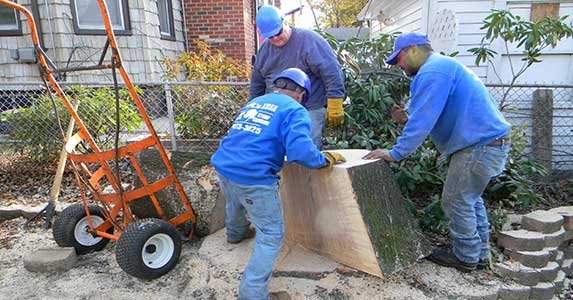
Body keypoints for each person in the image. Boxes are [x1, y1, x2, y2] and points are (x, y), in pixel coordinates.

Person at [363, 32, 511, 272]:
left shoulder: (433, 71)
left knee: (456, 200)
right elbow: (427, 115)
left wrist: (394, 153)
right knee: (469, 199)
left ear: (413, 49)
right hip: (487, 143)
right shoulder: (441, 67)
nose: (398, 65)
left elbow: (422, 121)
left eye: (398, 58)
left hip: (479, 145)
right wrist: (406, 119)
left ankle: (466, 257)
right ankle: (480, 254)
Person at [211, 68, 345, 299]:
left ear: (278, 86)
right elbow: (301, 152)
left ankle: (235, 233)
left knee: (234, 200)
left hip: (224, 164)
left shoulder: (257, 102)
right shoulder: (295, 110)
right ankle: (252, 294)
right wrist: (323, 160)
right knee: (272, 234)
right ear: (301, 93)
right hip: (254, 176)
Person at [251, 5, 346, 149]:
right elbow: (257, 83)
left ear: (285, 22)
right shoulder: (264, 51)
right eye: (270, 36)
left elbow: (331, 72)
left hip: (309, 109)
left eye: (278, 32)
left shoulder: (309, 41)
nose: (276, 38)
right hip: (277, 111)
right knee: (278, 152)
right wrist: (252, 108)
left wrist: (335, 102)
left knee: (305, 149)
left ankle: (309, 171)